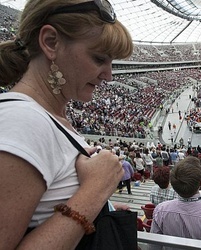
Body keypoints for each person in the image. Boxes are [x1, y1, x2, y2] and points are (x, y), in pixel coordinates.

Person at [0, 0, 133, 248]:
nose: (109, 75)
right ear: (51, 42)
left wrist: (105, 209)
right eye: (99, 58)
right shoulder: (22, 122)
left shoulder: (47, 117)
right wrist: (95, 190)